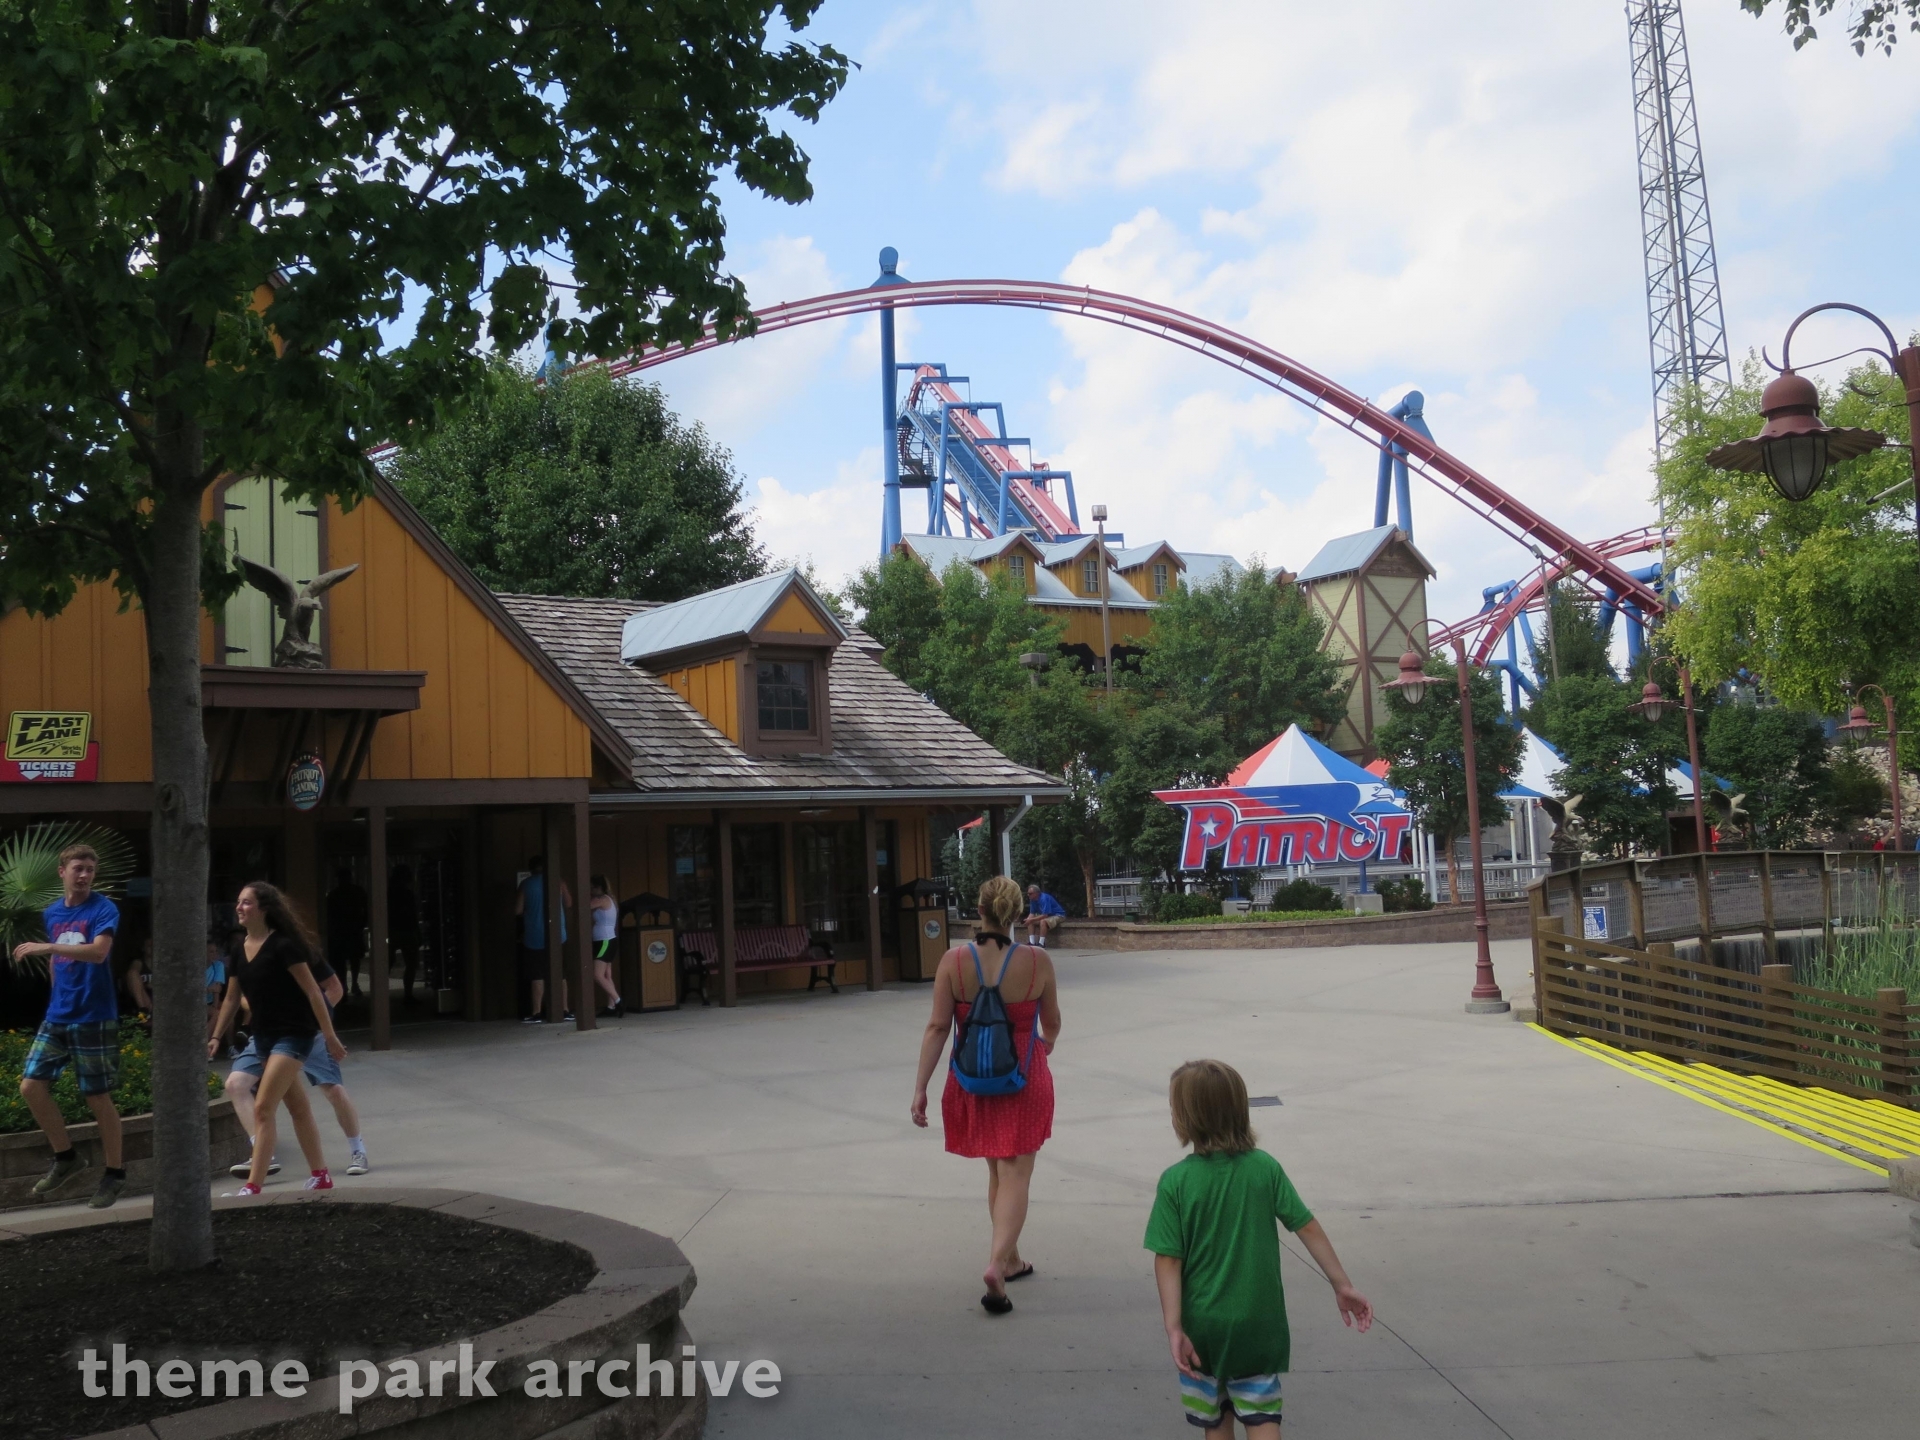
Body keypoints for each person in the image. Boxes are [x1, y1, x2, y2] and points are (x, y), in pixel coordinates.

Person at [1146, 1059, 1373, 1436]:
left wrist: (1174, 1326)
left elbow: (1168, 1259)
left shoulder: (1176, 1181)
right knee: (1262, 1416)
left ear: (1187, 1118)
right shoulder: (1265, 1168)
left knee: (1215, 1422)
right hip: (1258, 1323)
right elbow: (1306, 1226)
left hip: (1202, 1327)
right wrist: (1342, 1284)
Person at [911, 874, 1061, 1316]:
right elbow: (1051, 1022)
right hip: (1023, 1077)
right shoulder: (1036, 961)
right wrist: (1046, 1043)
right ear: (1017, 913)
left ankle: (1010, 1259)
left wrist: (920, 1088)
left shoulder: (954, 961)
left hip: (972, 1077)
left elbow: (938, 1027)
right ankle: (997, 1264)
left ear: (979, 911)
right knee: (1016, 1173)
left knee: (997, 1169)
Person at [206, 881, 346, 1196]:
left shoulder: (284, 946)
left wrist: (329, 1035)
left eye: (246, 902)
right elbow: (231, 999)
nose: (239, 907)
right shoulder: (238, 949)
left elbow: (314, 992)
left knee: (263, 1108)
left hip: (294, 1036)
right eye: (238, 902)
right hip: (264, 1038)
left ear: (264, 909)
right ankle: (321, 1176)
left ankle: (253, 1186)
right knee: (297, 1107)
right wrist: (215, 1036)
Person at [13, 843, 127, 1209]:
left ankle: (114, 1174)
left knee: (97, 1096)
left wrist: (48, 947)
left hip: (95, 1014)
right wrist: (55, 995)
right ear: (62, 871)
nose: (85, 875)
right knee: (31, 1086)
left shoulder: (103, 908)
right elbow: (56, 964)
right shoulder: (53, 913)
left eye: (90, 869)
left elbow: (98, 952)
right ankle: (66, 1156)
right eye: (78, 868)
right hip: (58, 1015)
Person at [223, 940, 370, 1178]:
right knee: (236, 1084)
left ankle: (358, 1150)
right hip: (268, 1033)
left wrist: (311, 1020)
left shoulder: (295, 947)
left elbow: (334, 988)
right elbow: (240, 997)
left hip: (306, 1032)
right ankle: (263, 1153)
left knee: (332, 1089)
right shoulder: (246, 951)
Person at [514, 855, 571, 1023]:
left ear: (531, 869)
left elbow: (517, 910)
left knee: (537, 975)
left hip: (534, 935)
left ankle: (537, 1012)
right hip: (558, 934)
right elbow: (569, 903)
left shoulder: (526, 884)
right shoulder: (558, 882)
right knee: (560, 974)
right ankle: (565, 1010)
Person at [324, 867, 369, 999]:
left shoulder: (338, 894)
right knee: (347, 960)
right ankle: (348, 985)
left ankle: (350, 984)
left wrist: (362, 923)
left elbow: (366, 909)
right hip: (345, 931)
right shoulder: (338, 894)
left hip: (349, 930)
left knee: (349, 960)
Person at [589, 875, 624, 1018]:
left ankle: (618, 1001)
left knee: (597, 975)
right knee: (607, 975)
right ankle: (611, 1006)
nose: (590, 890)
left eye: (592, 887)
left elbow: (585, 906)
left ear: (598, 887)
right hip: (605, 940)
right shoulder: (607, 899)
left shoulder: (603, 899)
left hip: (605, 941)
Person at [389, 863, 422, 1006]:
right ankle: (408, 994)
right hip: (403, 930)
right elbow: (412, 915)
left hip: (395, 930)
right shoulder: (406, 894)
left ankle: (406, 994)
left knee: (391, 962)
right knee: (410, 963)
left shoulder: (390, 893)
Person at [1021, 882, 1066, 948]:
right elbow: (1032, 913)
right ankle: (1032, 942)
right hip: (1047, 915)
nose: (1028, 895)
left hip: (1058, 915)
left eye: (1030, 893)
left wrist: (1031, 919)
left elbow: (1045, 915)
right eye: (1028, 893)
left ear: (1037, 893)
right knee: (1030, 921)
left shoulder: (1044, 898)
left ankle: (1041, 943)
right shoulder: (1032, 900)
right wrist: (1027, 920)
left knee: (1043, 921)